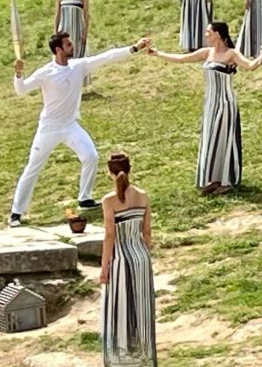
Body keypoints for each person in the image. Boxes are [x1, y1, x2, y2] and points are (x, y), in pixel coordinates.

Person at [8, 33, 150, 227]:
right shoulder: (46, 72)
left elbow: (106, 57)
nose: (72, 47)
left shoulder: (78, 66)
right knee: (33, 168)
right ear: (58, 50)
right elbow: (21, 90)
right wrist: (18, 74)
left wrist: (133, 48)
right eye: (68, 45)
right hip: (49, 128)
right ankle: (16, 212)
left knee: (91, 156)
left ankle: (85, 197)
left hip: (70, 125)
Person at [147, 22, 262, 194]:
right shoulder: (207, 53)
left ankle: (226, 181)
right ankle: (213, 178)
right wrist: (158, 53)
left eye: (208, 32)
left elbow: (250, 66)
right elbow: (181, 59)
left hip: (225, 103)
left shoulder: (230, 54)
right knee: (211, 139)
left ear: (217, 34)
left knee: (224, 138)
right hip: (210, 103)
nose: (206, 35)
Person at [99, 152, 156, 367]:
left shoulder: (109, 200)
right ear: (129, 169)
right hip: (141, 256)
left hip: (120, 259)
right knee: (141, 306)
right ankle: (143, 355)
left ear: (109, 173)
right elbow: (147, 232)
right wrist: (146, 257)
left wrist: (104, 267)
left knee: (119, 306)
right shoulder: (142, 196)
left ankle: (121, 358)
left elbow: (110, 235)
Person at [55, 0, 90, 85]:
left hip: (77, 29)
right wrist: (55, 31)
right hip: (64, 28)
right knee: (63, 54)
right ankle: (63, 81)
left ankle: (78, 83)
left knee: (77, 54)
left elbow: (86, 14)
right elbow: (57, 14)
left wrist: (85, 32)